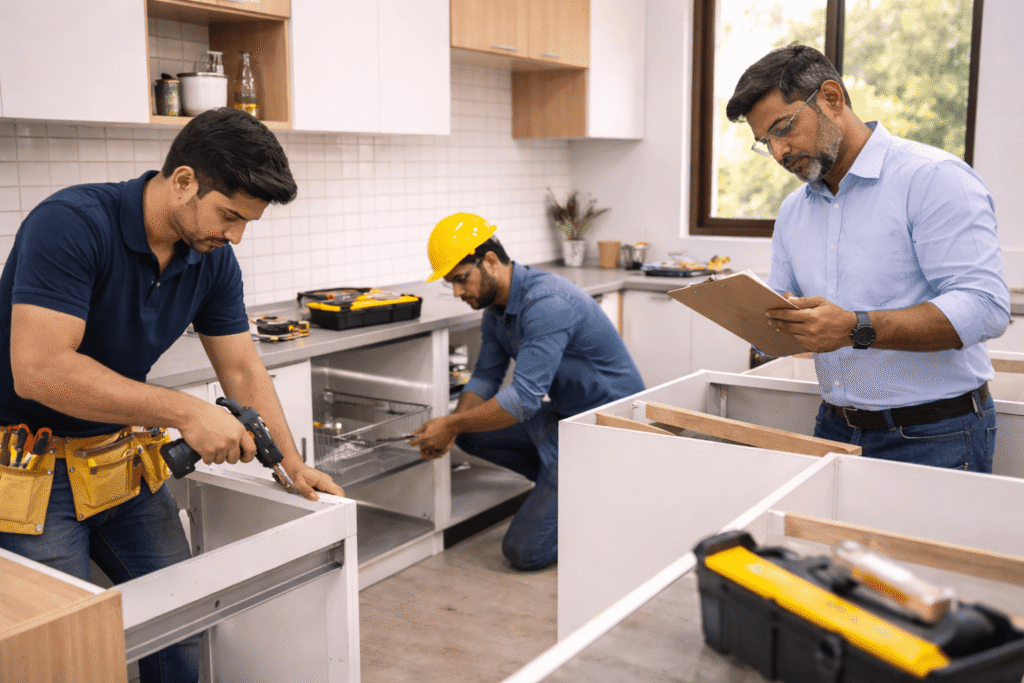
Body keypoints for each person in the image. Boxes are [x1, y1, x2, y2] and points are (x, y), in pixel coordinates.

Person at [0, 107, 344, 682]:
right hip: (29, 470)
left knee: (182, 628)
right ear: (183, 180)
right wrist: (186, 410)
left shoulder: (210, 259)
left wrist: (290, 463)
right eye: (229, 215)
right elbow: (38, 371)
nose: (234, 236)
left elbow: (240, 366)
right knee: (66, 654)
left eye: (246, 224)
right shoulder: (71, 223)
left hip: (117, 461)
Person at [726, 44, 1010, 472]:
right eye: (766, 143)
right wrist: (765, 325)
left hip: (936, 434)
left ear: (831, 98)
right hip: (836, 427)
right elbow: (786, 303)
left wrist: (856, 328)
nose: (780, 152)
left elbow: (985, 308)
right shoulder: (794, 211)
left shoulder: (932, 178)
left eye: (785, 128)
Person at [410, 213, 645, 570]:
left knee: (524, 552)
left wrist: (451, 424)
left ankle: (594, 491)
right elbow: (486, 378)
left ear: (490, 261)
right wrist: (453, 426)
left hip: (607, 427)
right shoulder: (497, 308)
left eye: (461, 280)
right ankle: (571, 486)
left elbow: (523, 399)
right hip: (566, 419)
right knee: (472, 435)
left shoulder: (547, 303)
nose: (458, 293)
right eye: (451, 284)